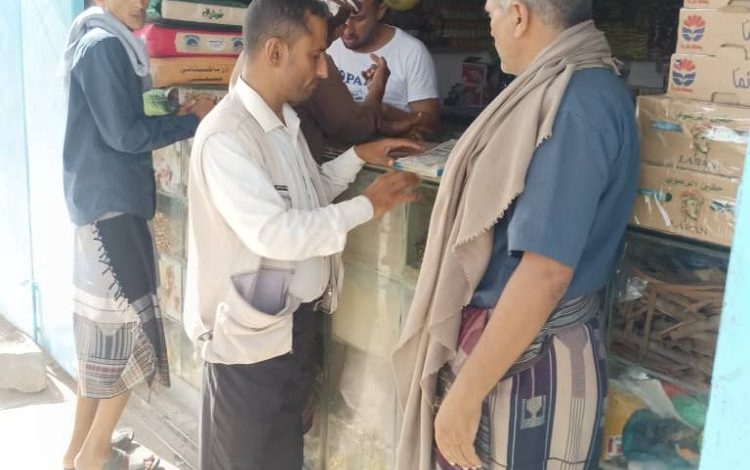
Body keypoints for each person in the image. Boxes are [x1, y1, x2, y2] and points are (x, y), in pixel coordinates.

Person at [392, 0, 639, 469]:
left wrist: (466, 396)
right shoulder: (577, 89)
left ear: (520, 15)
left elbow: (545, 272)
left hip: (527, 361)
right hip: (522, 349)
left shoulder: (573, 103)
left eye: (492, 15)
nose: (492, 26)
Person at [183, 0, 420, 468]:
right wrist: (367, 206)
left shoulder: (284, 124)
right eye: (315, 55)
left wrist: (358, 157)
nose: (324, 70)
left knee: (284, 456)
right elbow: (275, 233)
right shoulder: (227, 137)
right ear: (275, 51)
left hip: (290, 330)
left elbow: (307, 199)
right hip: (247, 344)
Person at [59, 1, 215, 469]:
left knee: (102, 342)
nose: (141, 2)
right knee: (134, 338)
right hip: (114, 209)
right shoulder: (105, 45)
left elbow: (123, 117)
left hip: (102, 206)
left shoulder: (101, 42)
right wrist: (191, 121)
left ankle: (75, 454)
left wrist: (173, 110)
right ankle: (95, 453)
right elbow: (124, 135)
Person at [229, 0, 421, 161]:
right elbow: (352, 128)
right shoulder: (305, 64)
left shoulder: (251, 56)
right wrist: (376, 91)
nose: (321, 71)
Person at [327, 0, 441, 138]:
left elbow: (430, 127)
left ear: (380, 11)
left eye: (359, 19)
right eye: (342, 18)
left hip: (394, 149)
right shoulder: (326, 45)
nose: (347, 30)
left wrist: (384, 111)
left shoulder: (412, 52)